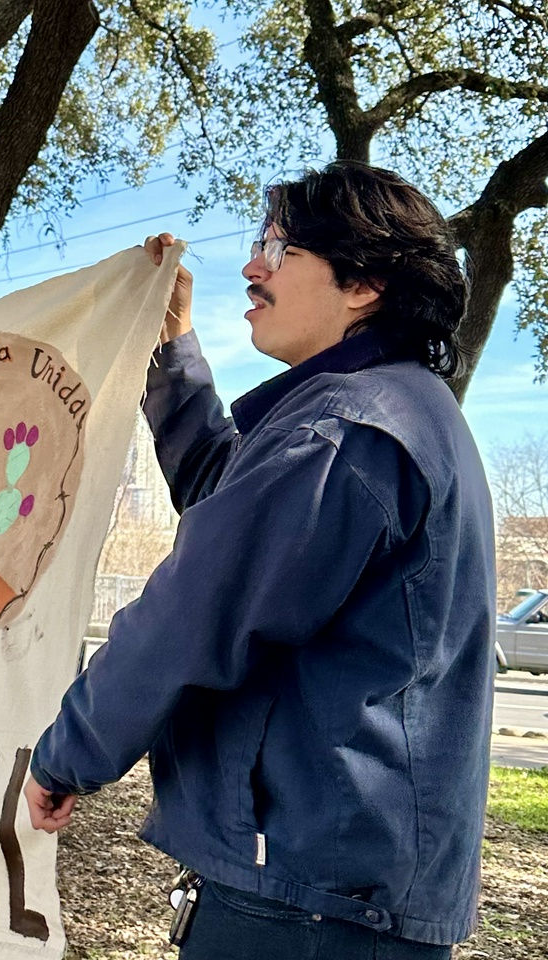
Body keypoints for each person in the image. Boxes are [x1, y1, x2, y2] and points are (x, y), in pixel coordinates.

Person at [25, 162, 495, 959]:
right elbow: (233, 506)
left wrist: (67, 755)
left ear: (365, 283)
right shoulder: (385, 413)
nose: (251, 267)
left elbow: (194, 610)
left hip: (309, 901)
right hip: (339, 892)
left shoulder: (342, 433)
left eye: (278, 248)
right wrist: (174, 345)